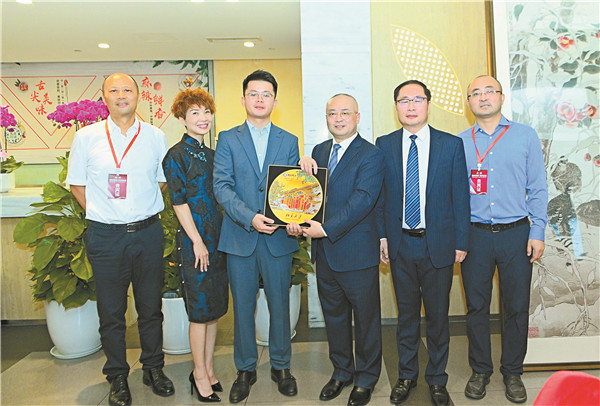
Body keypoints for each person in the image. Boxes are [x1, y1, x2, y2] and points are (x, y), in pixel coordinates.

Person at [67, 73, 174, 406]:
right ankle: (117, 376)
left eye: (127, 89)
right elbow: (77, 184)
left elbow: (162, 181)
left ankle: (153, 368)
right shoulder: (86, 137)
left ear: (137, 96)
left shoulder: (155, 136)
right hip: (105, 236)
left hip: (147, 233)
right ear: (104, 98)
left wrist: (138, 207)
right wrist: (105, 211)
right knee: (111, 312)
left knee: (150, 308)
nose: (121, 95)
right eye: (113, 90)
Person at [213, 70, 306, 403]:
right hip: (240, 236)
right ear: (243, 100)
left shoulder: (288, 140)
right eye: (253, 93)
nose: (259, 99)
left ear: (275, 102)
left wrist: (294, 218)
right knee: (242, 308)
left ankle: (281, 366)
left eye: (266, 94)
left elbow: (293, 187)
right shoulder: (227, 138)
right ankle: (245, 369)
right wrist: (250, 217)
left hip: (278, 239)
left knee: (280, 305)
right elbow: (221, 186)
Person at [377, 80, 470, 406]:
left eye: (417, 99)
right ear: (396, 106)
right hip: (401, 244)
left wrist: (461, 241)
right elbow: (381, 196)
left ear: (428, 104)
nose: (411, 106)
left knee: (438, 317)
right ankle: (406, 376)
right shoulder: (384, 144)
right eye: (404, 100)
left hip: (438, 245)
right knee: (406, 317)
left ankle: (437, 379)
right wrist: (383, 235)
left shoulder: (450, 144)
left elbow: (461, 196)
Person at [458, 75, 548, 404]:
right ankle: (480, 370)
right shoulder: (459, 142)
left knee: (516, 307)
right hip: (474, 235)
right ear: (469, 102)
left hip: (516, 234)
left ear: (501, 96)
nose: (483, 97)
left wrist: (537, 231)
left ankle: (512, 371)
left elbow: (538, 187)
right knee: (476, 307)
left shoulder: (525, 135)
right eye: (475, 93)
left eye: (489, 91)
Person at [290, 94, 384, 406]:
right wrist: (296, 217)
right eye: (332, 113)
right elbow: (310, 196)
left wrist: (326, 229)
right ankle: (342, 371)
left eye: (345, 112)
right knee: (334, 318)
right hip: (325, 254)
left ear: (357, 117)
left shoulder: (371, 154)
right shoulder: (319, 151)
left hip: (357, 253)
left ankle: (366, 378)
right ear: (327, 118)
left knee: (366, 320)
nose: (339, 118)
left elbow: (363, 199)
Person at [162, 88, 228, 403]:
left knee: (213, 310)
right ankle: (198, 373)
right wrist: (197, 241)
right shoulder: (175, 155)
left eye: (206, 112)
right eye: (194, 113)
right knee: (199, 311)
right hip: (194, 243)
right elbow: (179, 202)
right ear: (182, 118)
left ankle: (209, 369)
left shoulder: (213, 155)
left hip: (217, 241)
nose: (203, 118)